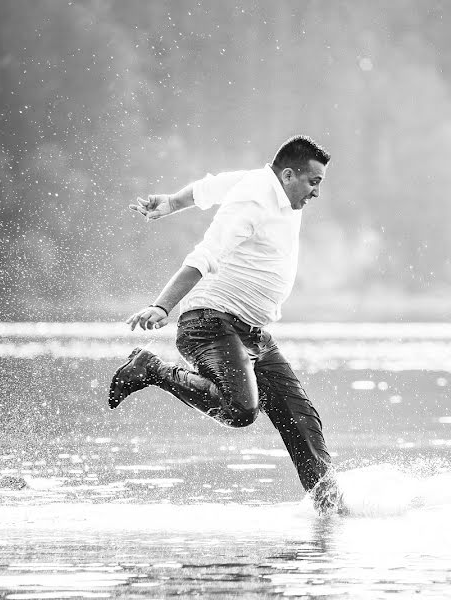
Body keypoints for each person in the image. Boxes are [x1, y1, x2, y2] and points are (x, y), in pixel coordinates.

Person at [108, 135, 342, 513]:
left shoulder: (267, 185)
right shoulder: (253, 200)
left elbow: (209, 187)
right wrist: (161, 307)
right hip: (210, 323)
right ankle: (149, 368)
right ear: (288, 175)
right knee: (239, 409)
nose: (316, 192)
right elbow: (205, 256)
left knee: (302, 420)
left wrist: (170, 203)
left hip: (251, 333)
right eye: (313, 182)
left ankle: (331, 510)